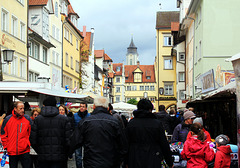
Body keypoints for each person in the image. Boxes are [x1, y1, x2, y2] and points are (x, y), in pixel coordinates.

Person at [69, 96, 128, 168]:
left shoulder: (86, 121)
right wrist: (119, 160)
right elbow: (123, 145)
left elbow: (75, 141)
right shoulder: (115, 122)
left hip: (91, 162)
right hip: (111, 162)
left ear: (94, 107)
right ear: (108, 108)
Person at [126, 99, 173, 168]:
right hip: (153, 157)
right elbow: (164, 144)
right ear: (150, 109)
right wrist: (169, 162)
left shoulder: (131, 123)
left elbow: (125, 144)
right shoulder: (156, 124)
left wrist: (126, 161)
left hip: (134, 158)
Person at [30, 96, 72, 168]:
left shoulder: (38, 120)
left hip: (43, 157)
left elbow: (33, 139)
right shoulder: (64, 119)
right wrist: (65, 153)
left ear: (44, 105)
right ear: (56, 106)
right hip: (59, 156)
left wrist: (40, 151)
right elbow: (69, 140)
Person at [1, 101, 32, 168]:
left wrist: (27, 143)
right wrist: (6, 146)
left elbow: (31, 133)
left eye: (23, 108)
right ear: (15, 109)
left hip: (24, 150)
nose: (23, 110)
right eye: (20, 108)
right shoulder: (7, 119)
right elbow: (3, 134)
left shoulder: (27, 119)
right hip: (12, 151)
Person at [73, 102, 90, 168]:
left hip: (87, 138)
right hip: (78, 138)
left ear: (86, 108)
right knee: (78, 156)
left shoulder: (89, 116)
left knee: (87, 155)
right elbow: (73, 126)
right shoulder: (75, 116)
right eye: (80, 106)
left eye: (83, 106)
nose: (81, 108)